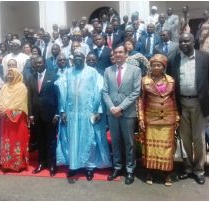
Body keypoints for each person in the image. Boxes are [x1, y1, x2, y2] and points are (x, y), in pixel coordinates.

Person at [57, 48, 111, 181]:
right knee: (73, 139)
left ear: (84, 58)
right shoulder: (68, 73)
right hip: (71, 113)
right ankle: (74, 166)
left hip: (88, 113)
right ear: (72, 59)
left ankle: (89, 167)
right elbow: (62, 91)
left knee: (89, 140)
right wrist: (62, 110)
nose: (77, 58)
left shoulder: (93, 72)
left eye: (80, 56)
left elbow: (99, 91)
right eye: (75, 56)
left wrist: (98, 110)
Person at [167, 33, 209, 185]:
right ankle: (188, 168)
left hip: (199, 103)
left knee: (198, 139)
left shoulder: (205, 57)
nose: (183, 43)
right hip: (181, 104)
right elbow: (170, 81)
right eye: (181, 41)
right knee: (185, 139)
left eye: (186, 41)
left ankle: (199, 170)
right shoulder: (174, 59)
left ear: (193, 41)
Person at [102, 45, 141, 185]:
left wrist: (120, 107)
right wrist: (112, 107)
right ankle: (117, 167)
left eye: (120, 52)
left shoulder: (135, 70)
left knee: (129, 142)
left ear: (126, 54)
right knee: (115, 141)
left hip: (127, 112)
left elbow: (136, 92)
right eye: (116, 52)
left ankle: (130, 169)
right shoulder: (108, 70)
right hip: (112, 113)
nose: (118, 54)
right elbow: (105, 91)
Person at [138, 54, 179, 186]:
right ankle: (150, 172)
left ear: (164, 66)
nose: (156, 67)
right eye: (154, 65)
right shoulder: (145, 80)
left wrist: (177, 116)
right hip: (151, 118)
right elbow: (141, 100)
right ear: (150, 66)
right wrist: (141, 118)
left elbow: (174, 99)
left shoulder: (171, 80)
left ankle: (167, 174)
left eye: (159, 65)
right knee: (150, 147)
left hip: (168, 118)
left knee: (167, 147)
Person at [28, 56, 59, 176]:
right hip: (37, 115)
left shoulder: (53, 76)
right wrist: (30, 114)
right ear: (34, 65)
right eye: (36, 63)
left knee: (51, 140)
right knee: (40, 140)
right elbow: (30, 97)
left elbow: (58, 96)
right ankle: (41, 162)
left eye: (40, 62)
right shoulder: (31, 78)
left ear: (45, 63)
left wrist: (57, 112)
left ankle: (52, 163)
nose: (38, 65)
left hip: (51, 114)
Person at [0, 68, 29, 172]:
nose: (9, 76)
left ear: (17, 75)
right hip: (5, 120)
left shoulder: (22, 87)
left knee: (17, 141)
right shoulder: (4, 87)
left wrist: (7, 112)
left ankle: (18, 165)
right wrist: (0, 109)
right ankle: (6, 164)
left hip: (18, 121)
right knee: (6, 141)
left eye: (12, 74)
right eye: (8, 74)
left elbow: (20, 104)